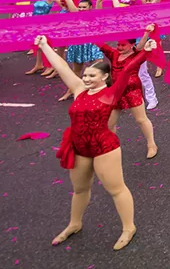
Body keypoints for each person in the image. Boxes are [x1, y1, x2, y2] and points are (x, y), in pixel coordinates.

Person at [36, 34, 155, 251]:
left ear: (104, 76)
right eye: (85, 75)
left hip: (104, 147)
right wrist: (44, 46)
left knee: (116, 189)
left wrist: (146, 51)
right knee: (80, 189)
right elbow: (62, 67)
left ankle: (129, 227)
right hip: (80, 147)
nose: (86, 78)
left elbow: (129, 68)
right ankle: (75, 223)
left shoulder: (111, 93)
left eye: (92, 75)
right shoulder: (79, 90)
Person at [99, 26, 160, 159]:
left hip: (132, 91)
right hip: (116, 92)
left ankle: (152, 145)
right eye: (118, 44)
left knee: (141, 119)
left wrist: (146, 34)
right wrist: (87, 31)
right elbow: (100, 44)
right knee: (109, 123)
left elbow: (144, 50)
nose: (119, 47)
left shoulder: (136, 55)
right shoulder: (114, 54)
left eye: (123, 45)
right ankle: (111, 147)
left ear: (132, 45)